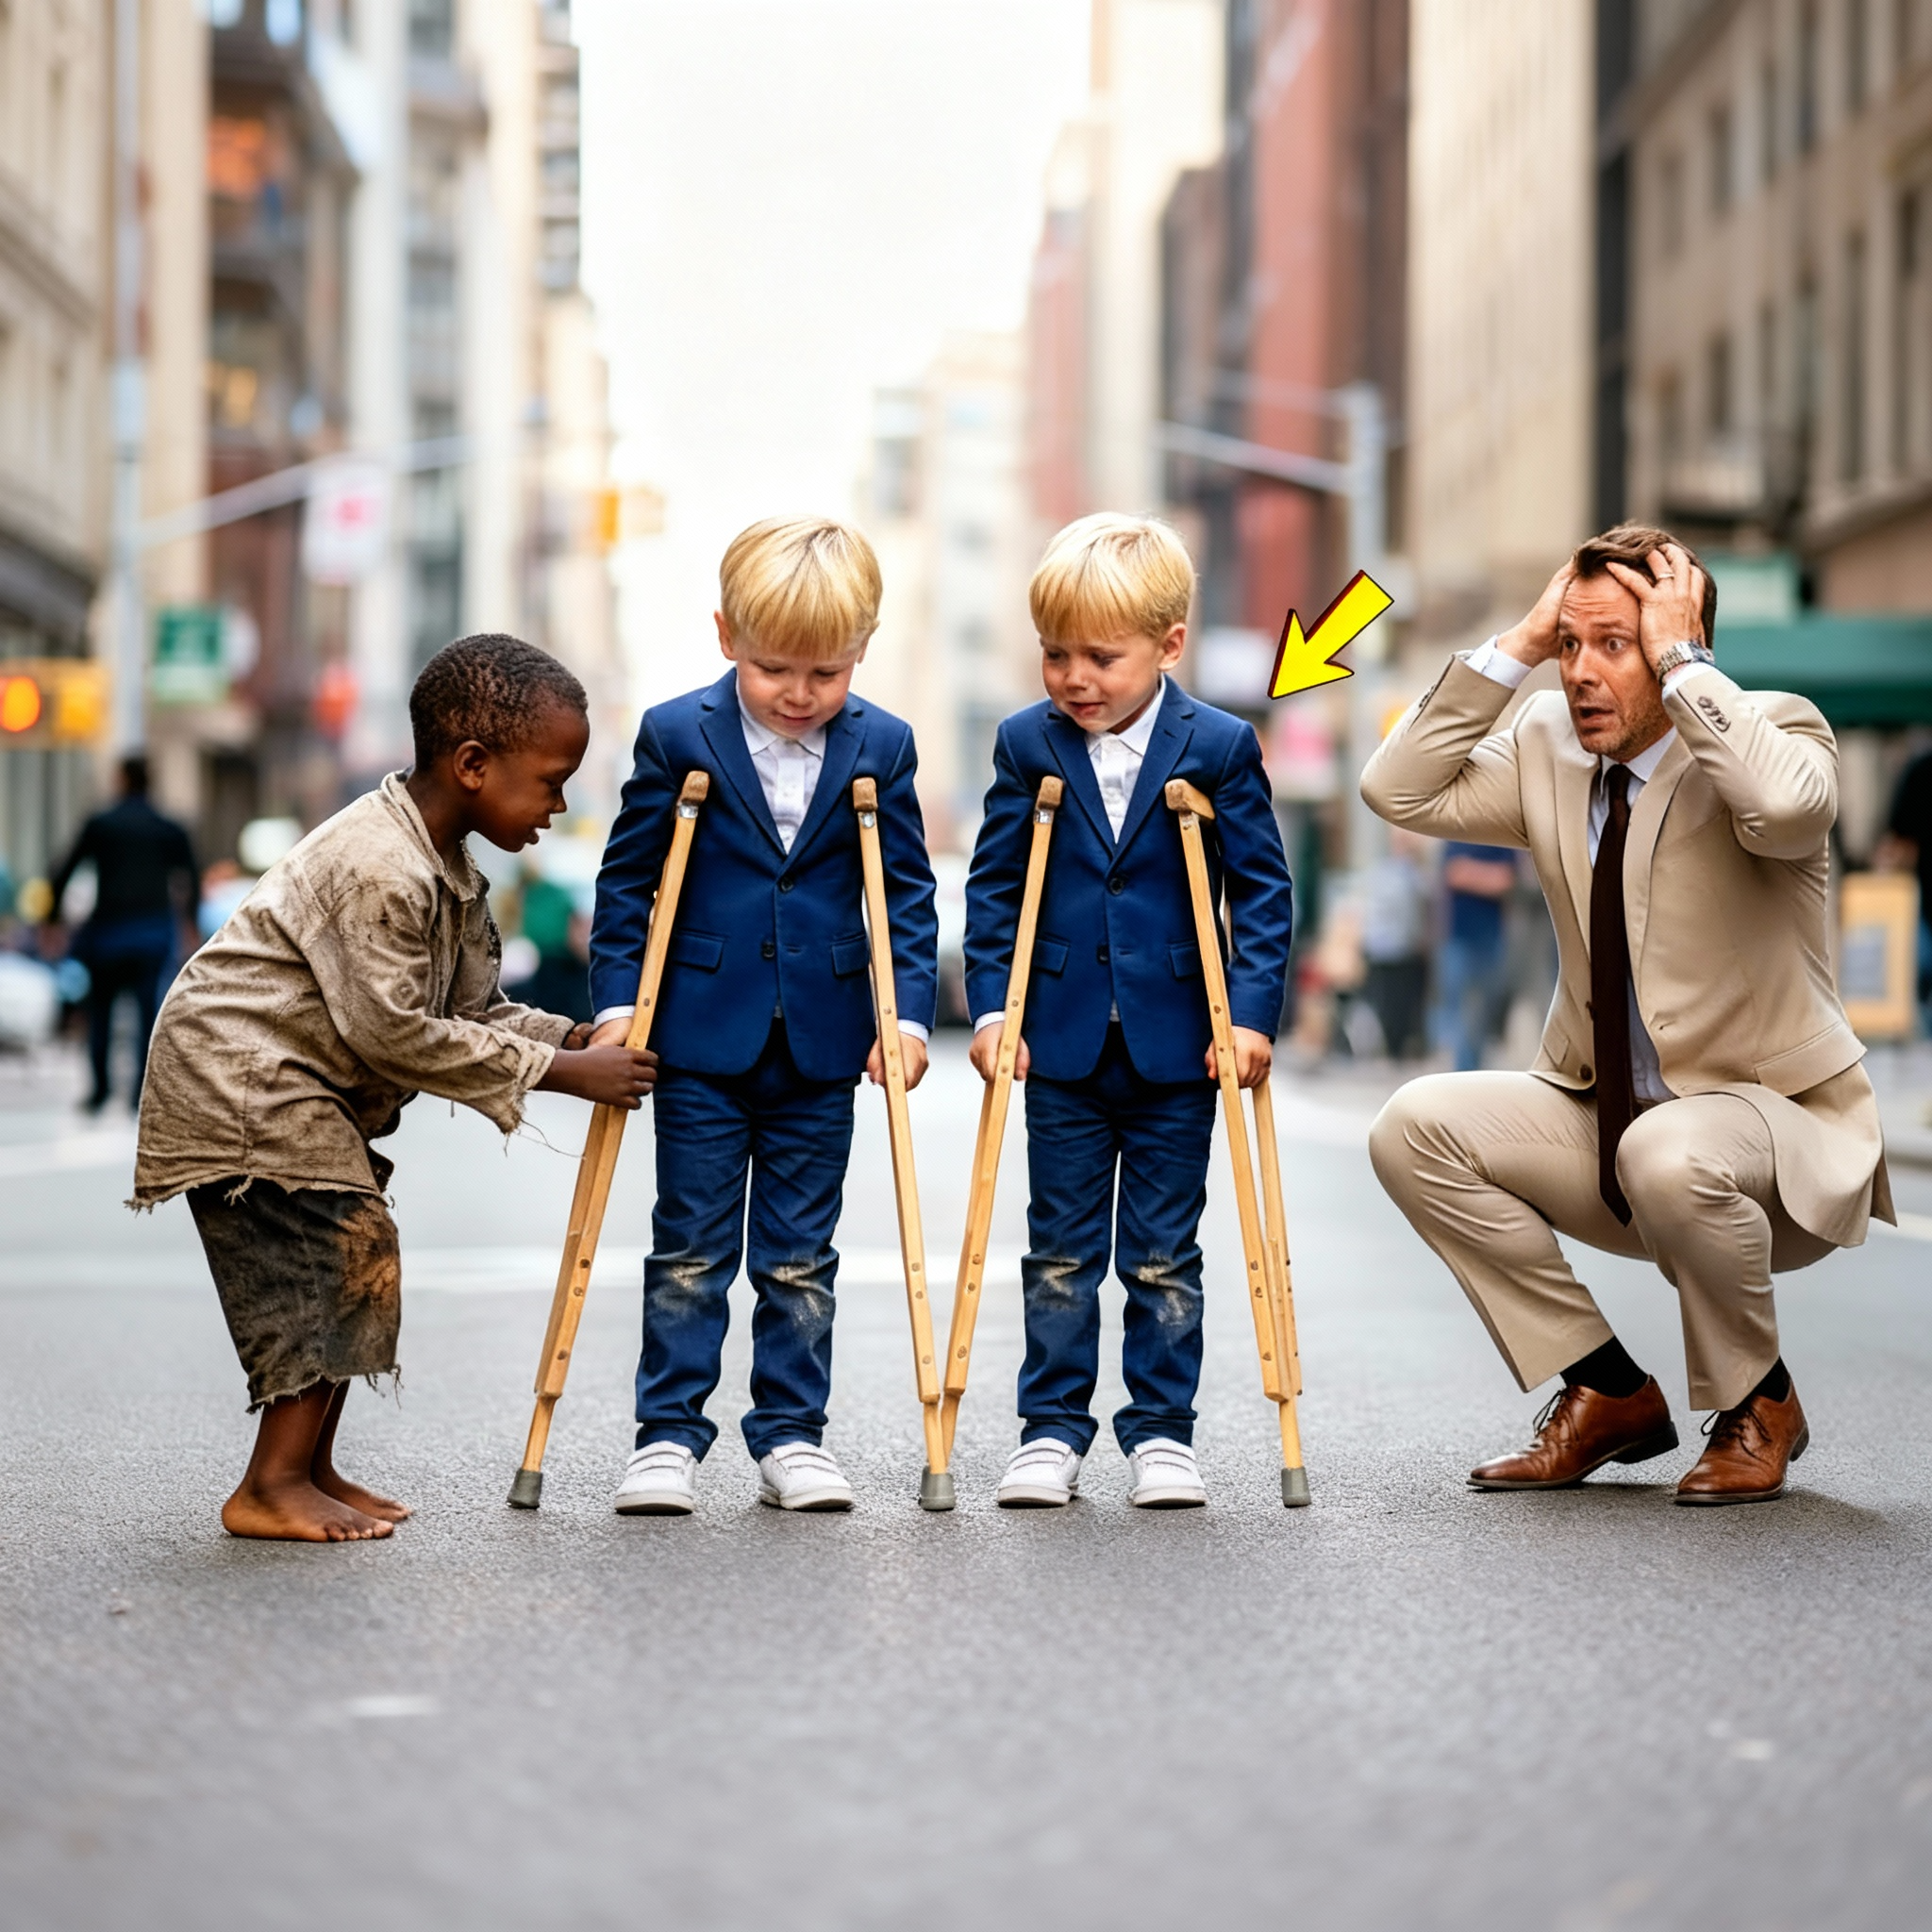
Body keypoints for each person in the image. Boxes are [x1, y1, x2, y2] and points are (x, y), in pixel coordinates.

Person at [1362, 525, 1892, 1507]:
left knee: (1667, 1150)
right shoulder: (1545, 747)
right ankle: (1606, 1390)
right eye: (1570, 645)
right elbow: (1394, 787)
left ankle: (1757, 1401)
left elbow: (1783, 810)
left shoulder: (1772, 728)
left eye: (1613, 643)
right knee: (1412, 1127)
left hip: (1767, 1137)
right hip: (1608, 1122)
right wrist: (1515, 644)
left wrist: (1684, 664)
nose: (1580, 673)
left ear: (1677, 638)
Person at [132, 636, 656, 1542]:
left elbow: (472, 1009)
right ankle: (269, 1484)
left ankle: (309, 1467)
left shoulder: (448, 866)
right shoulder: (382, 864)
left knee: (353, 1257)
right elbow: (393, 1030)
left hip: (292, 1080)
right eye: (551, 779)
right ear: (474, 766)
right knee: (333, 1256)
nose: (560, 802)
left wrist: (569, 1037)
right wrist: (566, 1073)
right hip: (242, 1074)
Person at [588, 516, 938, 1517]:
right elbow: (628, 883)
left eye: (825, 672)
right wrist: (618, 1004)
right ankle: (666, 1434)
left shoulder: (883, 743)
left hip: (823, 1042)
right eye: (775, 667)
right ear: (724, 634)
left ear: (862, 648)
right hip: (695, 1033)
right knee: (689, 1245)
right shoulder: (673, 732)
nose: (799, 693)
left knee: (798, 1253)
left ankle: (791, 1433)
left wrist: (904, 1017)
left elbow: (902, 893)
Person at [962, 513, 1294, 1510]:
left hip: (1177, 1042)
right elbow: (992, 885)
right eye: (1055, 653)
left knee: (1161, 1250)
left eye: (1101, 656)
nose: (1075, 677)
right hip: (1059, 1038)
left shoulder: (1221, 744)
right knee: (1059, 1246)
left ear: (1168, 645)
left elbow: (1262, 890)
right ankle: (1050, 1430)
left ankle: (1161, 1431)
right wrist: (990, 1009)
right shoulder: (1026, 742)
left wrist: (1249, 1015)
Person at [48, 754, 197, 1113]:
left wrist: (50, 919)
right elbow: (190, 875)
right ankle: (138, 1094)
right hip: (152, 932)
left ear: (121, 780)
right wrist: (189, 923)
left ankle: (101, 1090)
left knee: (102, 1011)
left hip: (109, 932)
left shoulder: (102, 824)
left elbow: (64, 869)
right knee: (149, 1013)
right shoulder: (167, 827)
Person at [1433, 841, 1517, 1071]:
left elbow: (1505, 880)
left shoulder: (1499, 836)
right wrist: (1486, 876)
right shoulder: (1455, 833)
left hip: (1491, 939)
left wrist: (1469, 872)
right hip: (1459, 938)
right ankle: (1461, 1072)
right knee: (1458, 1011)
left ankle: (1470, 1071)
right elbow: (1453, 873)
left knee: (1482, 1013)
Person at [1876, 746, 1932, 1024]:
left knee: (1920, 967)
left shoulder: (1919, 768)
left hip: (1923, 889)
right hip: (1922, 890)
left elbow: (1899, 832)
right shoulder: (1920, 768)